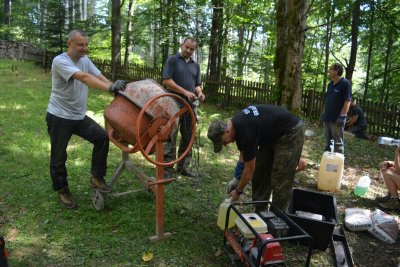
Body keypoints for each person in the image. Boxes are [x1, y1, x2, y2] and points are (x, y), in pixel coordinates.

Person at [46, 29, 127, 209]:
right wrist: (109, 88)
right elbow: (83, 77)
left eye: (86, 44)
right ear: (70, 44)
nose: (84, 48)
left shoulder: (85, 60)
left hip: (78, 116)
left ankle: (97, 177)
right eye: (80, 44)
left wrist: (113, 88)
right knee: (59, 157)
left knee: (101, 138)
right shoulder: (60, 61)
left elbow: (98, 76)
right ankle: (62, 190)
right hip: (59, 116)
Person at [207, 104, 304, 212]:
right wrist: (236, 179)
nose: (225, 145)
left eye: (224, 142)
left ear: (227, 131)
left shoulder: (246, 131)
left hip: (290, 132)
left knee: (280, 180)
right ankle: (260, 213)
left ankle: (277, 221)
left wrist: (238, 191)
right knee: (260, 172)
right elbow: (243, 156)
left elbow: (249, 169)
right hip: (271, 135)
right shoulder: (236, 125)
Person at [162, 37, 205, 178]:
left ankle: (183, 167)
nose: (188, 51)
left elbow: (196, 84)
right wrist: (184, 91)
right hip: (173, 102)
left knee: (188, 135)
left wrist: (199, 92)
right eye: (187, 47)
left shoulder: (195, 66)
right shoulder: (173, 60)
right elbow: (167, 81)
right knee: (170, 136)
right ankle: (167, 169)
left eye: (192, 49)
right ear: (182, 45)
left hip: (190, 105)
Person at [322, 63, 352, 154]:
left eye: (330, 69)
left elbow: (348, 101)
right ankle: (328, 163)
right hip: (327, 118)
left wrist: (342, 116)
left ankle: (338, 165)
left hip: (337, 119)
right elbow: (328, 100)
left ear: (337, 71)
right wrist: (324, 113)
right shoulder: (330, 84)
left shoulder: (345, 83)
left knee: (338, 143)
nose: (328, 70)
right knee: (328, 142)